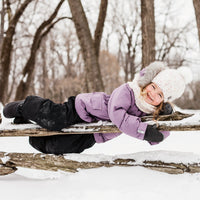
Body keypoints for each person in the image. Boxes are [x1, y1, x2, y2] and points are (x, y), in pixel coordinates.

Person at [3, 62, 192, 155]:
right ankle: (24, 107)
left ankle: (31, 134)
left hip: (95, 134)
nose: (153, 94)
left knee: (59, 146)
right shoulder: (128, 90)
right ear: (147, 83)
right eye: (153, 87)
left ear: (163, 101)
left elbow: (158, 132)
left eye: (159, 94)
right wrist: (144, 132)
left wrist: (160, 132)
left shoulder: (150, 111)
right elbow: (117, 115)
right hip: (81, 109)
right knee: (54, 119)